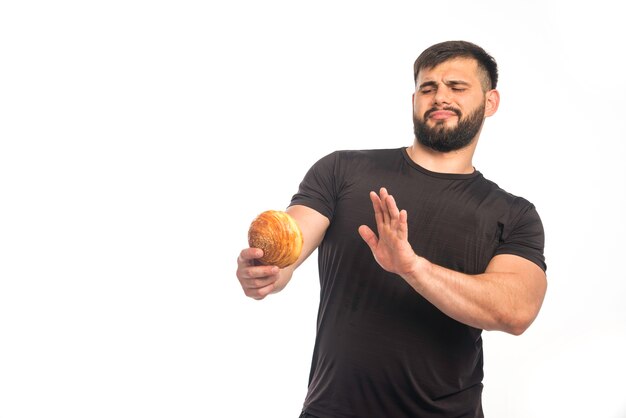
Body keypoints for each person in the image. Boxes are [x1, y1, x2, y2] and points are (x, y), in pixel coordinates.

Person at [236, 40, 547, 418]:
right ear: (414, 98)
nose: (439, 97)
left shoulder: (512, 213)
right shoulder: (342, 171)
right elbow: (289, 248)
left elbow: (516, 311)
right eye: (427, 87)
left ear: (490, 102)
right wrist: (264, 273)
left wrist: (413, 268)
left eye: (457, 87)